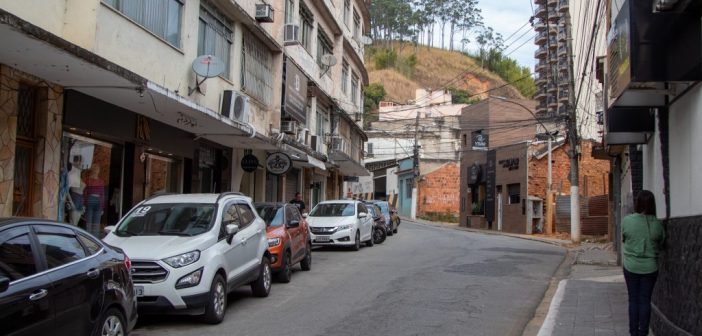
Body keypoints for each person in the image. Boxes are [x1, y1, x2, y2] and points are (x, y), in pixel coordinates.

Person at [622, 190, 665, 336]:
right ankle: (643, 333)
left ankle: (633, 332)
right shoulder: (657, 225)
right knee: (645, 301)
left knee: (633, 299)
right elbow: (662, 241)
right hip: (650, 268)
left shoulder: (627, 221)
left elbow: (624, 237)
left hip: (631, 266)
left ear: (637, 203)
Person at [83, 166, 106, 238]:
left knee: (95, 222)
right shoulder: (88, 180)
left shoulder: (100, 181)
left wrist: (102, 207)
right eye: (96, 169)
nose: (97, 171)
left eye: (98, 169)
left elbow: (102, 194)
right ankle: (88, 238)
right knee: (89, 221)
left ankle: (94, 239)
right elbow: (85, 193)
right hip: (92, 199)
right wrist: (84, 204)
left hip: (96, 200)